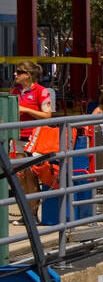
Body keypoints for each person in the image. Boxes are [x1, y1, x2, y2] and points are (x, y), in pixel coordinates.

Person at [9, 61, 53, 224]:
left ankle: (33, 215)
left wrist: (27, 110)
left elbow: (47, 115)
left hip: (34, 139)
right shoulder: (15, 91)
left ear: (28, 74)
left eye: (19, 72)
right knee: (21, 176)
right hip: (18, 138)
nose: (16, 74)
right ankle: (26, 214)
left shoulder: (41, 92)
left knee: (31, 176)